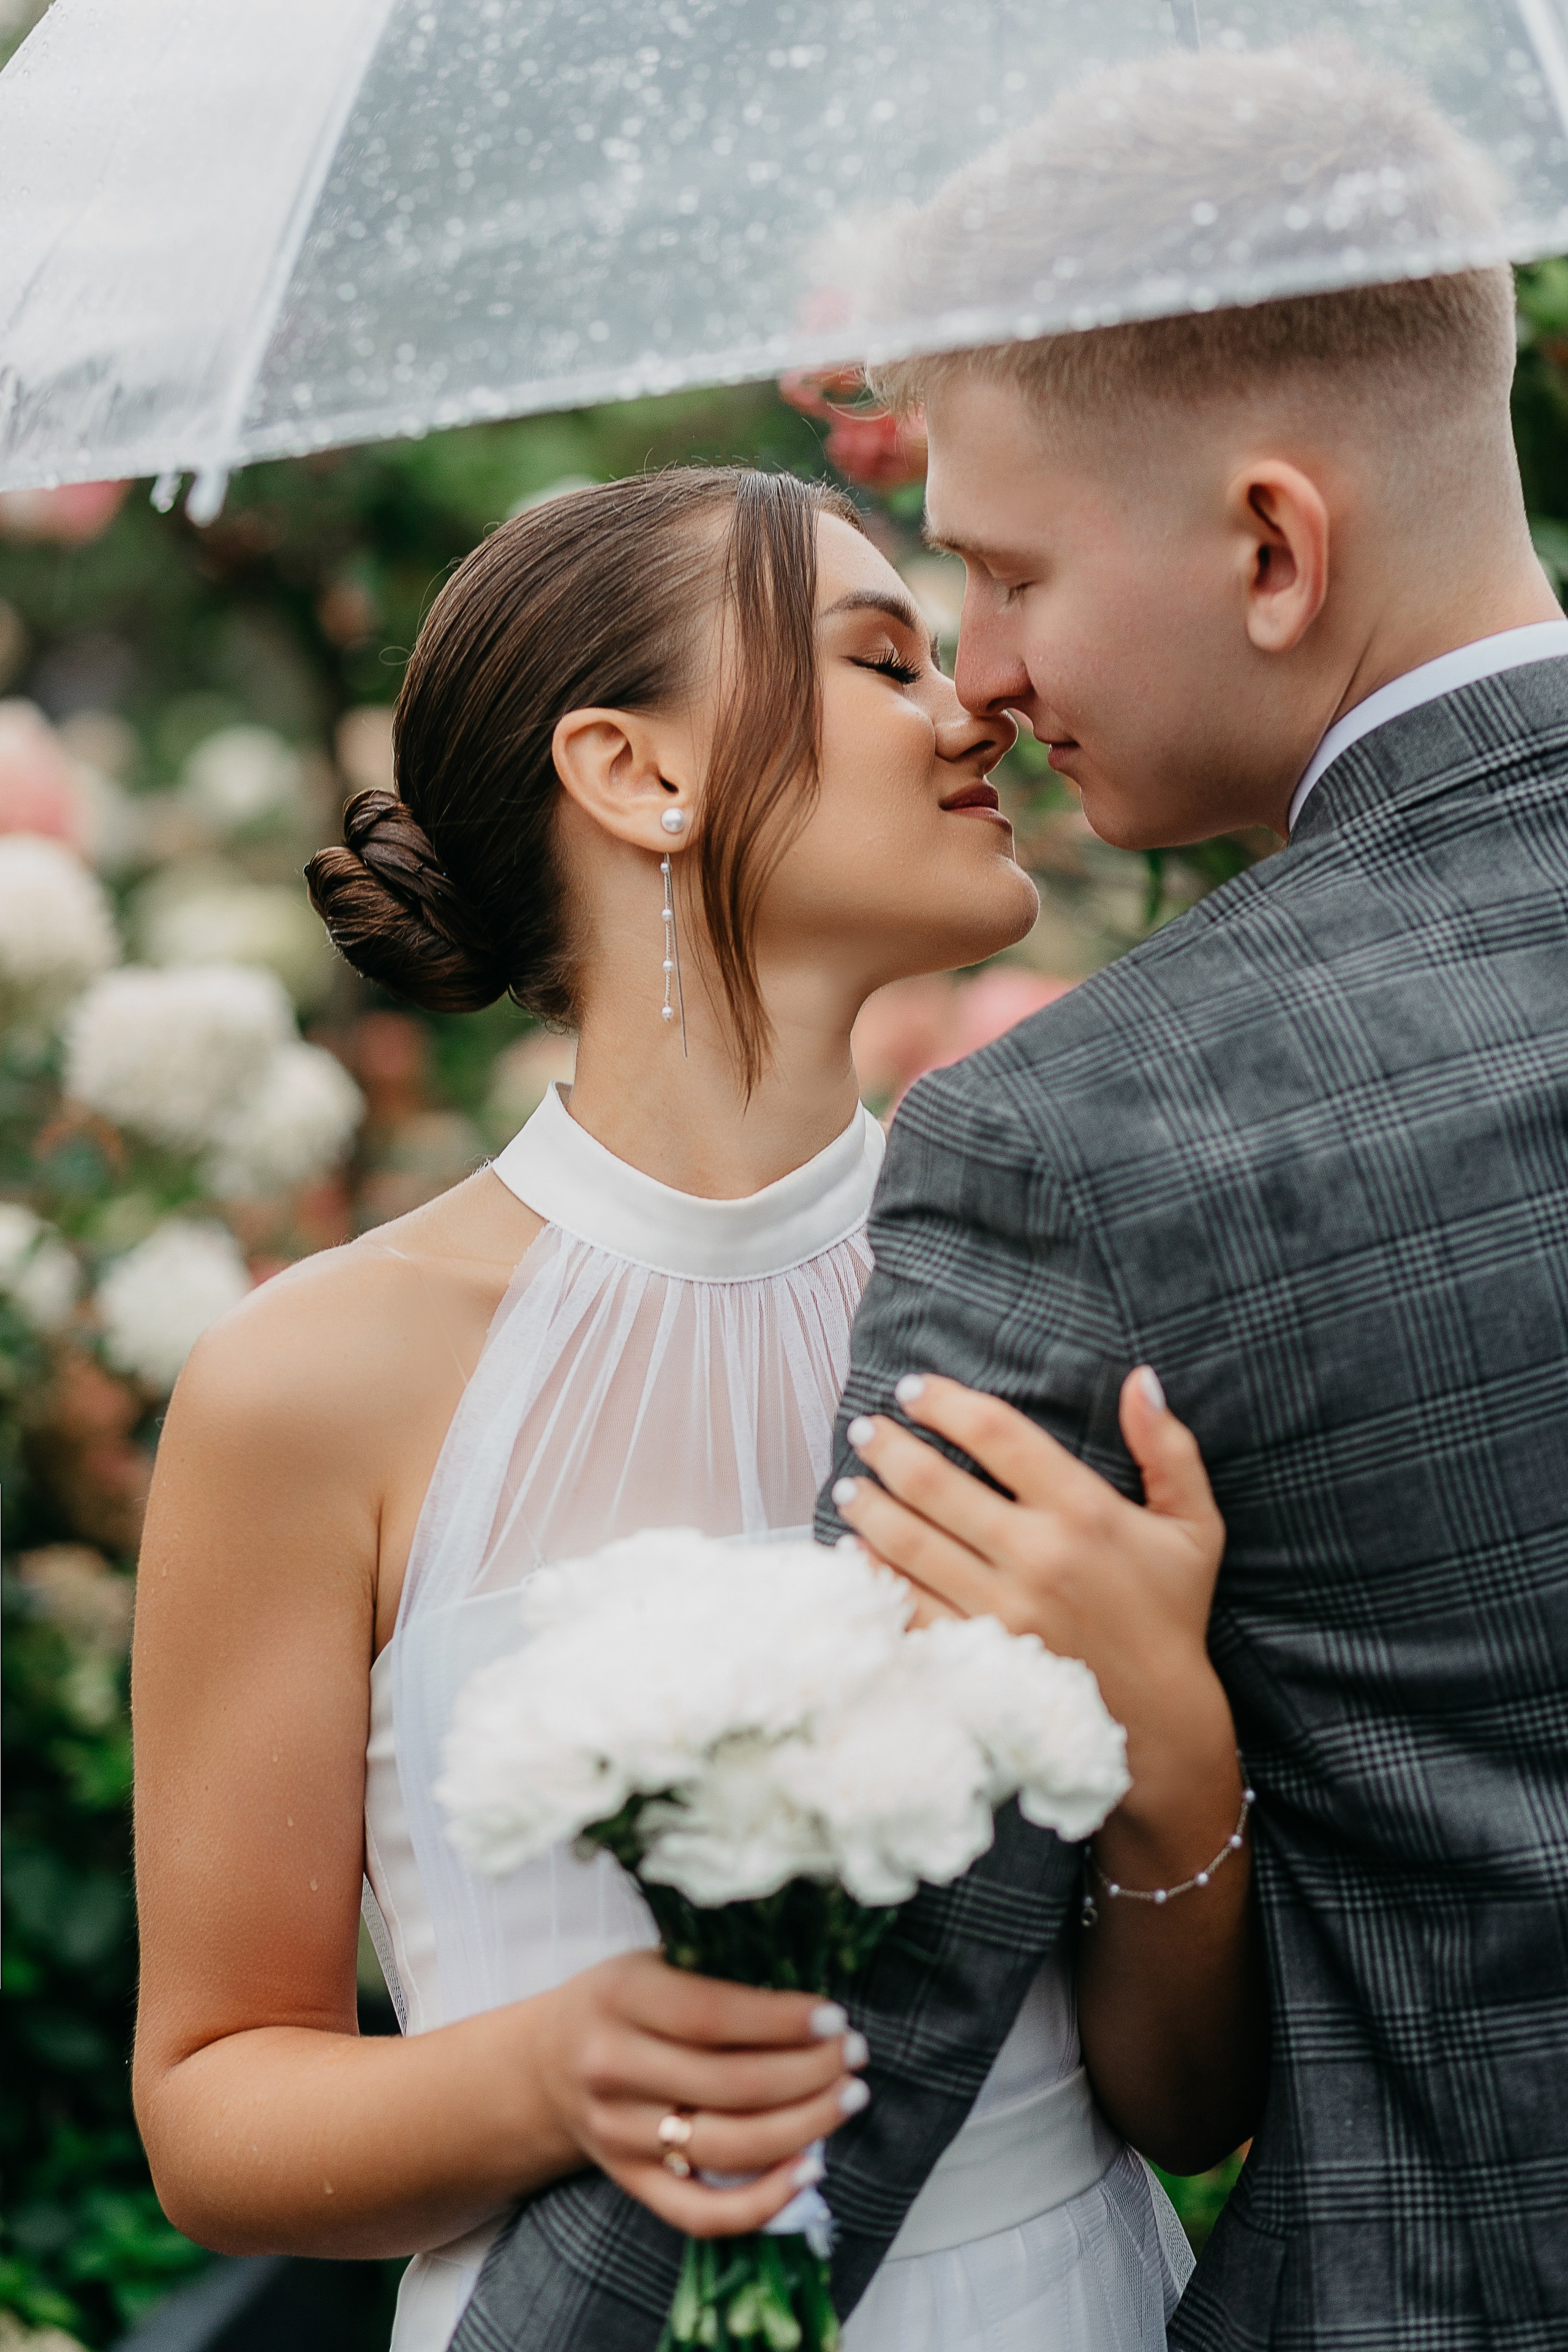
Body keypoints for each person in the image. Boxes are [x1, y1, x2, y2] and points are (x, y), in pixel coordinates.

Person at [130, 467, 1257, 2352]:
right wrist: (557, 2072)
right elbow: (215, 2104)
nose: (976, 698)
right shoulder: (308, 1383)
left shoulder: (1079, 1310)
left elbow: (1187, 2101)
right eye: (881, 657)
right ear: (633, 775)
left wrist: (1177, 1761)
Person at [814, 44, 1568, 2352]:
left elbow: (858, 2023)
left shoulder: (1076, 1148)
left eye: (1009, 567)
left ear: (1271, 546)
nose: (992, 672)